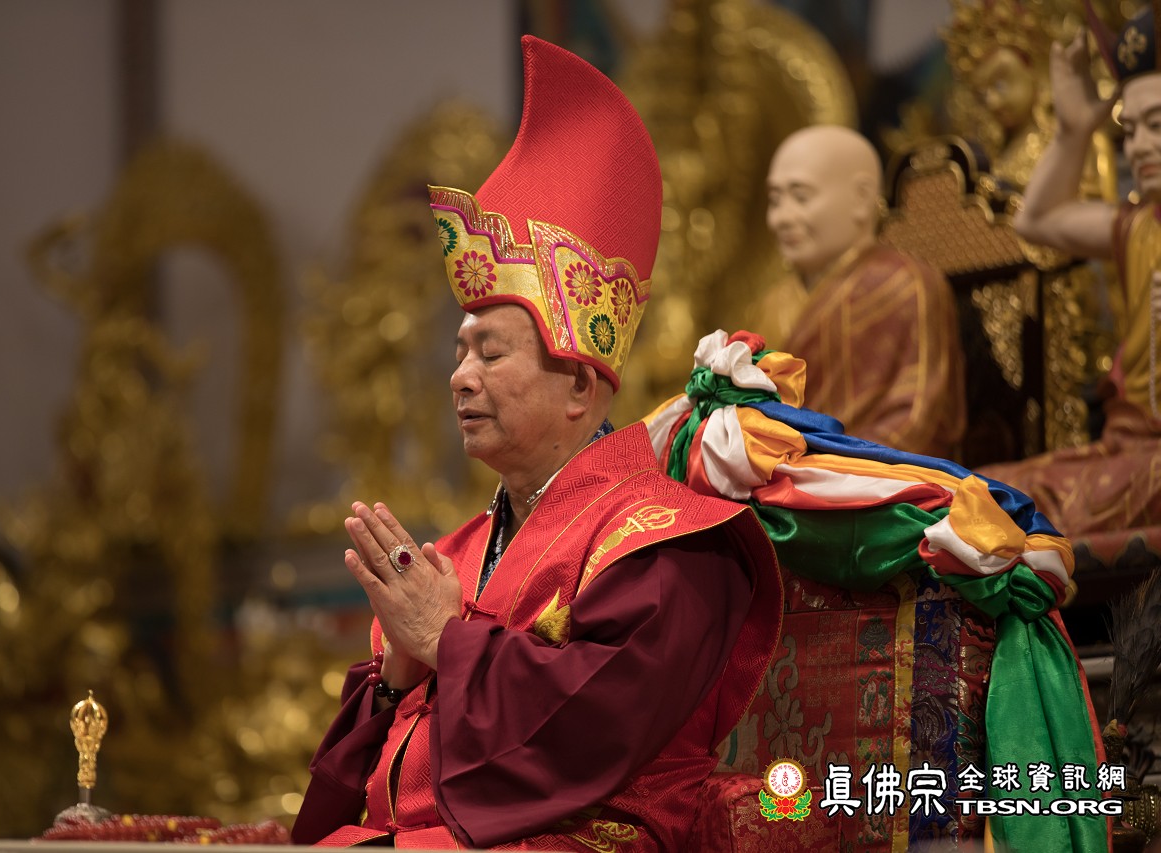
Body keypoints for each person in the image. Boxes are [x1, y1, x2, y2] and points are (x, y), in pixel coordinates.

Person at [291, 36, 782, 850]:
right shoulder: (456, 553)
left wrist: (447, 642)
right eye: (458, 352)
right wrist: (396, 679)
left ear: (581, 384)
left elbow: (594, 732)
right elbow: (362, 789)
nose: (460, 378)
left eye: (490, 353)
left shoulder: (666, 543)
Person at [982, 7, 1161, 545]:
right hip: (1127, 448)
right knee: (983, 487)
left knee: (1021, 509)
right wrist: (1074, 129)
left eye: (1157, 125)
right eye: (1131, 130)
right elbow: (1036, 220)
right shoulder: (1139, 228)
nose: (1139, 146)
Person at [765, 125, 966, 459]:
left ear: (860, 198)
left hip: (872, 475)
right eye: (774, 200)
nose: (781, 218)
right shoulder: (772, 305)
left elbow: (916, 420)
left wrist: (825, 464)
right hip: (785, 471)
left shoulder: (905, 285)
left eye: (801, 197)